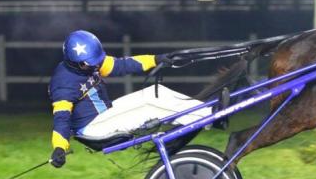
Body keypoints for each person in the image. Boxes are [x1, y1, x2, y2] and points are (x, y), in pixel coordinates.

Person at [48, 30, 209, 168]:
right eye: (91, 65)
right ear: (74, 63)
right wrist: (59, 148)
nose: (96, 67)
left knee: (155, 92)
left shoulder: (90, 64)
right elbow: (61, 119)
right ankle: (209, 118)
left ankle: (209, 111)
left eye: (97, 62)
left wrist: (156, 59)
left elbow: (123, 65)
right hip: (93, 129)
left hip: (105, 114)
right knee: (149, 107)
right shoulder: (63, 84)